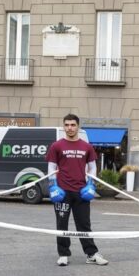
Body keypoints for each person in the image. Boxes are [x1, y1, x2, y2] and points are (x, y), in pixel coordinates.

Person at [46, 114, 108, 267]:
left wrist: (91, 184)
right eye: (67, 125)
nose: (70, 128)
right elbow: (51, 167)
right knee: (61, 223)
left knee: (84, 224)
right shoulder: (57, 146)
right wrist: (53, 186)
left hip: (81, 191)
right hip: (62, 192)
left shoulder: (86, 146)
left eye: (73, 125)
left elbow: (93, 167)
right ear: (63, 126)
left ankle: (91, 254)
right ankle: (63, 254)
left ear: (78, 127)